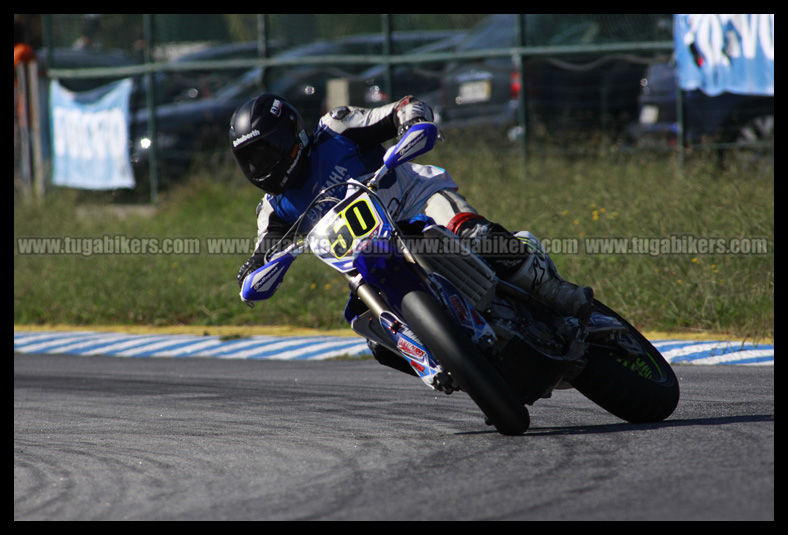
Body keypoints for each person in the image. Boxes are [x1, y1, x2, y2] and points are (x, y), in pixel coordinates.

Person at [230, 94, 593, 374]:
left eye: (265, 151)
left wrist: (412, 124)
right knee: (377, 338)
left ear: (290, 136)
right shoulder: (274, 209)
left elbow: (402, 108)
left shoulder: (336, 129)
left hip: (417, 203)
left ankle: (548, 285)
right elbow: (265, 251)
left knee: (472, 233)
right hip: (370, 258)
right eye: (250, 159)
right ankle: (474, 375)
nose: (259, 165)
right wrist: (252, 271)